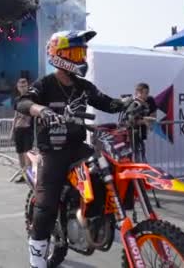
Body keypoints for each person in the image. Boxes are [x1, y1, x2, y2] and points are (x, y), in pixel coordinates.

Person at [16, 30, 129, 268]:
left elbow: (107, 103)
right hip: (52, 151)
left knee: (106, 174)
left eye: (82, 52)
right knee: (46, 204)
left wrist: (128, 104)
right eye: (75, 52)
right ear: (59, 55)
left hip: (79, 148)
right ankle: (37, 259)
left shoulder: (83, 86)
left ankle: (97, 220)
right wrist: (41, 110)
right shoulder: (46, 84)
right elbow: (23, 102)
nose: (81, 58)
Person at [12, 77, 33, 183]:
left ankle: (30, 175)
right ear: (18, 87)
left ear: (27, 86)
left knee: (27, 154)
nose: (22, 88)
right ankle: (23, 175)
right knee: (20, 154)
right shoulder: (16, 100)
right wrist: (12, 130)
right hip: (18, 129)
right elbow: (15, 115)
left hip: (27, 130)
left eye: (24, 86)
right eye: (21, 86)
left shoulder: (31, 98)